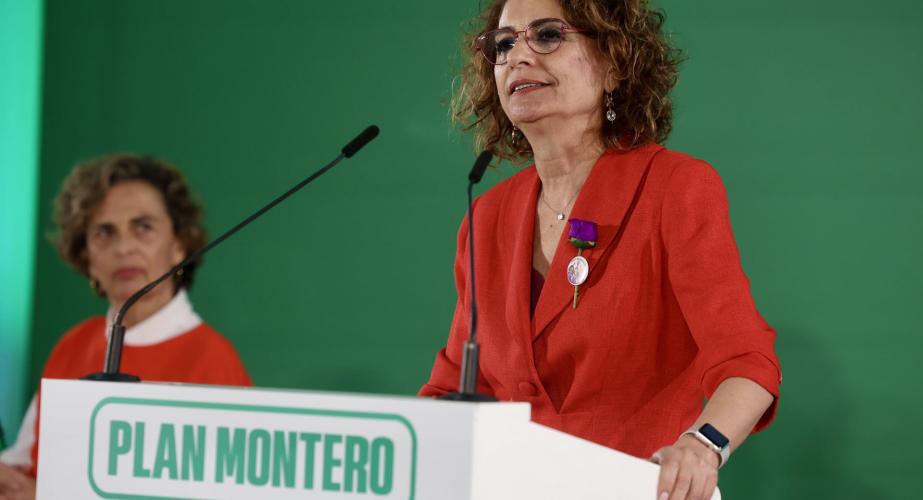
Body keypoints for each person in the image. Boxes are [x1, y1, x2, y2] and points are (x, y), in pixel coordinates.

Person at [420, 1, 782, 499]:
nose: (517, 58)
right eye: (502, 45)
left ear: (614, 64)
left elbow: (746, 360)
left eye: (547, 36)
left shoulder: (674, 187)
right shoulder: (487, 217)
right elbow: (457, 390)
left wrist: (703, 446)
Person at [0, 154, 252, 499]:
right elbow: (25, 461)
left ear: (179, 245)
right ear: (86, 255)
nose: (124, 248)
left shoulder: (216, 362)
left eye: (143, 227)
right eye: (105, 232)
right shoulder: (74, 343)